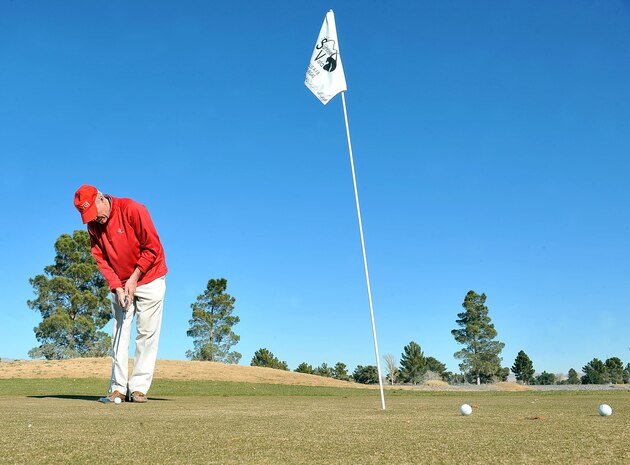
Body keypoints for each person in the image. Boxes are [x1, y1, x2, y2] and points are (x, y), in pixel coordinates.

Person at [74, 184, 168, 403]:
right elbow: (101, 258)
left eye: (94, 213)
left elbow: (152, 247)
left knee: (147, 332)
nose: (95, 219)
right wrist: (116, 286)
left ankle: (139, 388)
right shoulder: (94, 226)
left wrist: (134, 278)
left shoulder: (133, 209)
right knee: (119, 332)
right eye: (88, 217)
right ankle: (118, 387)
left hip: (150, 276)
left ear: (100, 198)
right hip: (120, 281)